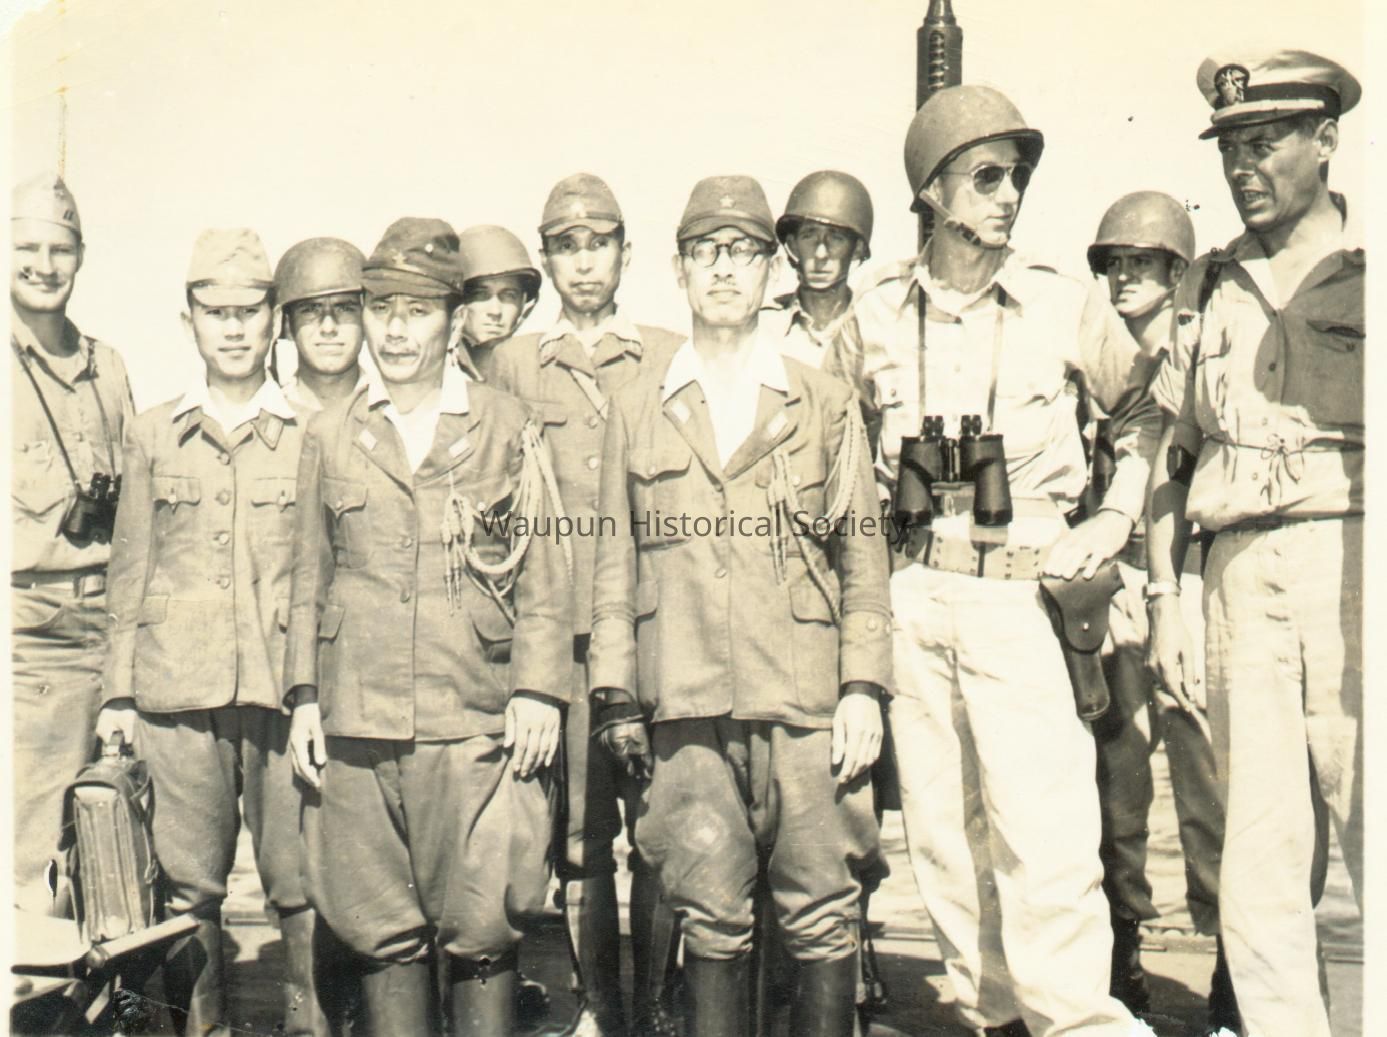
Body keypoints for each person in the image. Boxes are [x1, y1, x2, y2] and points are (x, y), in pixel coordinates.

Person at [853, 84, 1160, 1036]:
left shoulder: (1060, 303)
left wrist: (1112, 518)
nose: (1007, 195)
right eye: (985, 178)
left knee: (1045, 836)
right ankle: (990, 1016)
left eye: (1015, 177)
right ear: (931, 191)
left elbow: (1145, 417)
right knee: (944, 838)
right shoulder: (871, 315)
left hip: (1022, 598)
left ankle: (1077, 1021)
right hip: (914, 593)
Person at [587, 175, 892, 1037]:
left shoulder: (822, 400)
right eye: (705, 251)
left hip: (802, 701)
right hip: (682, 702)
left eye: (744, 251)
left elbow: (862, 557)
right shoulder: (636, 405)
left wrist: (863, 687)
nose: (723, 268)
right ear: (679, 269)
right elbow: (611, 563)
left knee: (822, 912)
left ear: (771, 269)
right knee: (709, 913)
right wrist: (615, 696)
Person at [284, 217, 573, 1037]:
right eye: (381, 309)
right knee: (379, 924)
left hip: (471, 714)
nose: (396, 330)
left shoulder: (506, 423)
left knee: (484, 922)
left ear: (452, 319)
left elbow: (545, 572)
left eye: (417, 311)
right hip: (359, 718)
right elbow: (309, 575)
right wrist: (303, 695)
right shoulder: (331, 431)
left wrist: (538, 689)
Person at [1145, 51, 1363, 1037]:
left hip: (1351, 563)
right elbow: (1171, 454)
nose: (1242, 166)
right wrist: (1166, 600)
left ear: (1325, 140)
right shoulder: (1206, 282)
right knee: (1259, 860)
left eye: (1264, 142)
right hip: (1235, 577)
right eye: (1229, 147)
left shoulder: (1369, 269)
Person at [99, 229, 319, 1036]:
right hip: (176, 692)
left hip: (280, 686)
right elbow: (130, 568)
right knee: (189, 884)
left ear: (274, 320)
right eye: (214, 311)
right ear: (187, 319)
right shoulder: (155, 432)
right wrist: (118, 694)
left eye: (248, 311)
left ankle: (309, 1023)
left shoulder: (310, 430)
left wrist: (314, 691)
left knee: (300, 880)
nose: (232, 328)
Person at [489, 171, 684, 1037]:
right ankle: (598, 1006)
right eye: (565, 248)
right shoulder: (512, 365)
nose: (582, 262)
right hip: (565, 634)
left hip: (656, 628)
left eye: (597, 244)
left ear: (625, 254)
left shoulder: (669, 355)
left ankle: (658, 1006)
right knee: (580, 837)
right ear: (547, 259)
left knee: (662, 828)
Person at [1084, 191, 1236, 1032]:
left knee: (1212, 784)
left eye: (1140, 262)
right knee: (1115, 785)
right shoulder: (1108, 369)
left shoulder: (1203, 354)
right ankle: (1122, 952)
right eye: (1113, 264)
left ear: (1177, 271)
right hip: (1118, 597)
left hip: (1192, 587)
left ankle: (1232, 965)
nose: (1122, 278)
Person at [11, 171, 134, 913]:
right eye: (26, 247)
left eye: (59, 249)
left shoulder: (106, 366)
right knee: (30, 856)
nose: (43, 264)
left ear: (81, 256)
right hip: (31, 636)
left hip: (109, 630)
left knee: (114, 838)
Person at [762, 170, 873, 390]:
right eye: (809, 236)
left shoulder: (875, 326)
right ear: (793, 245)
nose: (821, 253)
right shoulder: (762, 328)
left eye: (836, 238)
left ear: (857, 249)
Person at [275, 237, 370, 412]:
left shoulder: (396, 412)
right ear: (288, 325)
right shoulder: (266, 413)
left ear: (365, 322)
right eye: (310, 310)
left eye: (345, 309)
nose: (328, 328)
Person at [454, 224, 541, 383]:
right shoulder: (434, 372)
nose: (495, 311)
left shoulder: (537, 373)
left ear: (523, 303)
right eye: (480, 294)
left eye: (509, 296)